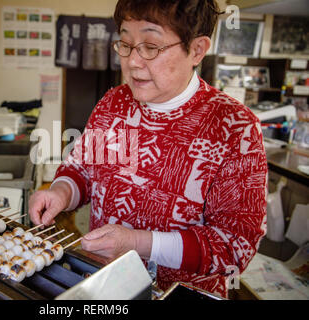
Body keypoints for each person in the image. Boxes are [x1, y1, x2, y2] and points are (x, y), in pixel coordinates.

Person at [29, 0, 268, 298]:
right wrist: (61, 192)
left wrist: (138, 243)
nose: (132, 61)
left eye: (151, 47)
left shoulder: (234, 126)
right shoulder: (114, 103)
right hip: (104, 286)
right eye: (126, 43)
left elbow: (235, 246)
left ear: (196, 49)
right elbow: (82, 169)